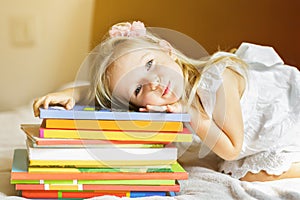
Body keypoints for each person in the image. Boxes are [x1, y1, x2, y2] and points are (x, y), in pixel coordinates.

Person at [33, 21, 300, 182]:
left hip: (289, 111)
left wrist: (190, 114)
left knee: (232, 164)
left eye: (149, 64)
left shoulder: (217, 80)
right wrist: (73, 94)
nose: (154, 83)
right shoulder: (165, 105)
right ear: (138, 105)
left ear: (167, 49)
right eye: (137, 88)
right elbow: (107, 100)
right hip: (256, 141)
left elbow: (232, 147)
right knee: (242, 172)